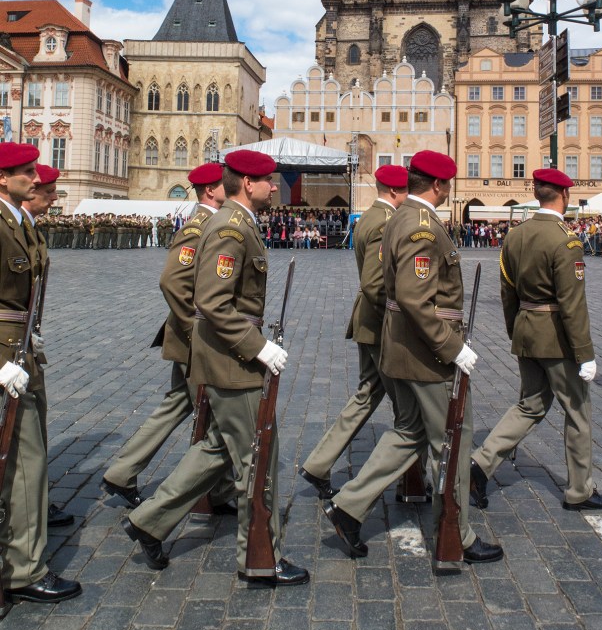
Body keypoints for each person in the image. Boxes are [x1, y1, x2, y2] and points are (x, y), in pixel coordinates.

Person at [123, 150, 308, 586]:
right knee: (258, 455)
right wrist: (257, 346)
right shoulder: (229, 226)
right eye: (268, 179)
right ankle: (261, 557)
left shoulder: (236, 222)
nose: (275, 185)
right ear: (247, 182)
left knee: (220, 447)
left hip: (229, 356)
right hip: (232, 360)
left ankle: (150, 520)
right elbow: (211, 301)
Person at [324, 150, 502, 570]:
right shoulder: (422, 226)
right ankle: (456, 533)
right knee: (452, 439)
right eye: (448, 185)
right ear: (438, 186)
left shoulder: (400, 218)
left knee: (409, 433)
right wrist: (452, 347)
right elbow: (414, 297)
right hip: (426, 354)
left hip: (400, 346)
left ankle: (348, 507)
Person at [469, 168, 602, 513]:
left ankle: (480, 465)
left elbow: (507, 291)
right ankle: (579, 490)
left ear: (538, 194)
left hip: (525, 327)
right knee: (577, 409)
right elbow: (572, 303)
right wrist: (585, 354)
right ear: (564, 195)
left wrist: (514, 330)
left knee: (530, 405)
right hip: (556, 336)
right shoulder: (566, 240)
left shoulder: (516, 235)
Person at [103, 163, 236, 511]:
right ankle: (206, 495)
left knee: (179, 403)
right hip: (194, 338)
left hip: (189, 338)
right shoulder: (199, 225)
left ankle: (121, 472)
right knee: (220, 415)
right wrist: (195, 329)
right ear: (210, 190)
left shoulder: (212, 221)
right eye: (226, 184)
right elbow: (173, 281)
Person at [0, 143, 81, 604]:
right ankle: (25, 570)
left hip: (20, 349)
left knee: (24, 455)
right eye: (26, 172)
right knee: (25, 461)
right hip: (6, 355)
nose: (37, 179)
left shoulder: (15, 222)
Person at [299, 165, 409, 499]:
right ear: (394, 191)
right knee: (409, 411)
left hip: (368, 321)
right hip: (379, 324)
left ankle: (319, 463)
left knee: (368, 394)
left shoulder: (370, 218)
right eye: (406, 192)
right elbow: (376, 285)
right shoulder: (385, 223)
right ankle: (406, 477)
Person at [21, 163, 74, 529]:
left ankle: (36, 500)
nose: (54, 196)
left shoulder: (30, 228)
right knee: (22, 437)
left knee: (35, 426)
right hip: (11, 348)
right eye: (49, 191)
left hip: (25, 344)